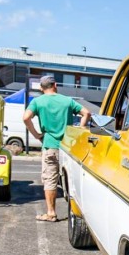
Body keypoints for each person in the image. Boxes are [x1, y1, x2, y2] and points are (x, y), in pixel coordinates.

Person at [23, 74, 91, 222]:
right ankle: (79, 212)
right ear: (55, 85)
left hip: (50, 146)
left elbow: (26, 117)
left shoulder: (37, 102)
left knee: (50, 180)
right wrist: (80, 129)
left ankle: (51, 213)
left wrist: (36, 135)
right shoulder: (67, 101)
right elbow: (86, 113)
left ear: (41, 88)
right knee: (72, 179)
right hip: (69, 147)